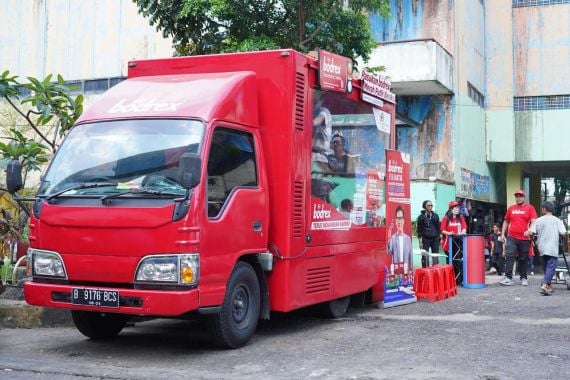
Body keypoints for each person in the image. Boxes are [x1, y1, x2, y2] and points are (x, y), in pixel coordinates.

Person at [500, 189, 537, 286]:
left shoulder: (530, 208)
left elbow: (534, 221)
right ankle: (508, 277)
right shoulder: (511, 208)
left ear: (524, 197)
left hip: (525, 239)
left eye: (520, 196)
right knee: (509, 256)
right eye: (517, 196)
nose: (518, 198)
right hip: (511, 237)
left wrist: (530, 231)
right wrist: (502, 234)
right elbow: (506, 221)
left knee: (523, 258)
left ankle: (523, 278)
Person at [528, 201, 566, 295]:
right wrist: (562, 238)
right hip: (552, 247)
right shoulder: (557, 220)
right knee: (551, 266)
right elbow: (563, 233)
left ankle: (548, 285)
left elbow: (531, 233)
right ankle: (545, 285)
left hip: (541, 247)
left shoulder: (538, 220)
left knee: (546, 267)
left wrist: (532, 240)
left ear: (544, 209)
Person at [440, 200, 467, 283]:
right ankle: (450, 280)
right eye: (455, 207)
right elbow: (442, 230)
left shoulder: (461, 217)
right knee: (450, 261)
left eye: (458, 207)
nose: (457, 208)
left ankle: (458, 279)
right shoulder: (446, 218)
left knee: (458, 260)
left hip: (458, 243)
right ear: (451, 208)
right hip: (448, 243)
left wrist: (463, 231)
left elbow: (464, 227)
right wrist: (449, 233)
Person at [387, 206, 413, 273]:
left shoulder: (408, 239)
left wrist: (411, 269)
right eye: (397, 218)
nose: (399, 221)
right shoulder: (392, 238)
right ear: (395, 221)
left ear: (403, 221)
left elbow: (410, 256)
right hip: (396, 270)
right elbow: (389, 252)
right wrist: (389, 238)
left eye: (401, 218)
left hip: (406, 270)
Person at [416, 200, 441, 267]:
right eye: (428, 205)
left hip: (435, 239)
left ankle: (435, 272)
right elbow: (419, 230)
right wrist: (420, 241)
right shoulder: (421, 217)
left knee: (435, 256)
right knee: (425, 257)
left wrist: (439, 238)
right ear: (424, 206)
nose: (430, 207)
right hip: (425, 239)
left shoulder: (435, 216)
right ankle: (425, 272)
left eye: (431, 205)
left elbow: (438, 228)